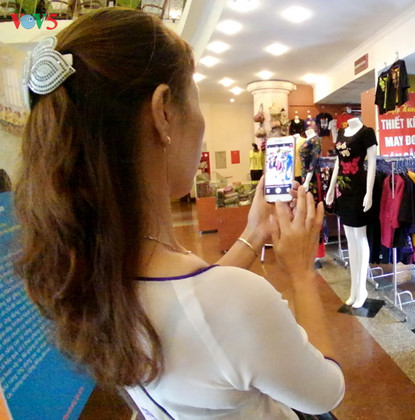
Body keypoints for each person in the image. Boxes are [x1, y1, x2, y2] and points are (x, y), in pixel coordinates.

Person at [14, 9, 343, 419]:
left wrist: (254, 233)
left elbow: (196, 307)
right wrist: (301, 275)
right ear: (163, 112)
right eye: (196, 98)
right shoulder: (238, 301)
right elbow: (324, 393)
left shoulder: (93, 270)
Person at [325, 117, 377, 309]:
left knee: (360, 237)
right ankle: (354, 289)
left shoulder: (367, 133)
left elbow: (372, 164)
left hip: (359, 189)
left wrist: (369, 193)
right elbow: (338, 162)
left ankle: (362, 289)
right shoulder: (341, 133)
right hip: (343, 190)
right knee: (350, 240)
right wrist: (331, 187)